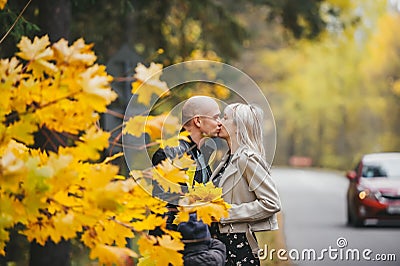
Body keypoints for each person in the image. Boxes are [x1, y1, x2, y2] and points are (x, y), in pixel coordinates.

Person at [210, 103, 281, 265]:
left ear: (238, 126)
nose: (219, 121)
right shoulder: (228, 158)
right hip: (220, 245)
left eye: (225, 118)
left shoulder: (247, 158)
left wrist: (225, 214)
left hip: (237, 248)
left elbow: (271, 203)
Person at [150, 95, 222, 232]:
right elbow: (167, 211)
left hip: (197, 241)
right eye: (215, 117)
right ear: (198, 121)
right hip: (179, 245)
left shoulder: (202, 153)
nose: (219, 122)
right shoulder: (171, 154)